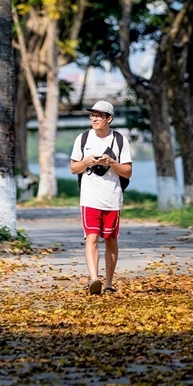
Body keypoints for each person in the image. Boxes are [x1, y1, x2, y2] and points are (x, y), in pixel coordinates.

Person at [70, 100, 132, 294]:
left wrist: (112, 162)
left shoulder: (120, 140)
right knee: (92, 238)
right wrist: (86, 162)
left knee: (111, 240)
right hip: (89, 199)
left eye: (99, 115)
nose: (94, 118)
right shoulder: (83, 139)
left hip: (112, 199)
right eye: (92, 115)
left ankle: (109, 284)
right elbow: (73, 168)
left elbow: (128, 172)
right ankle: (94, 279)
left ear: (109, 119)